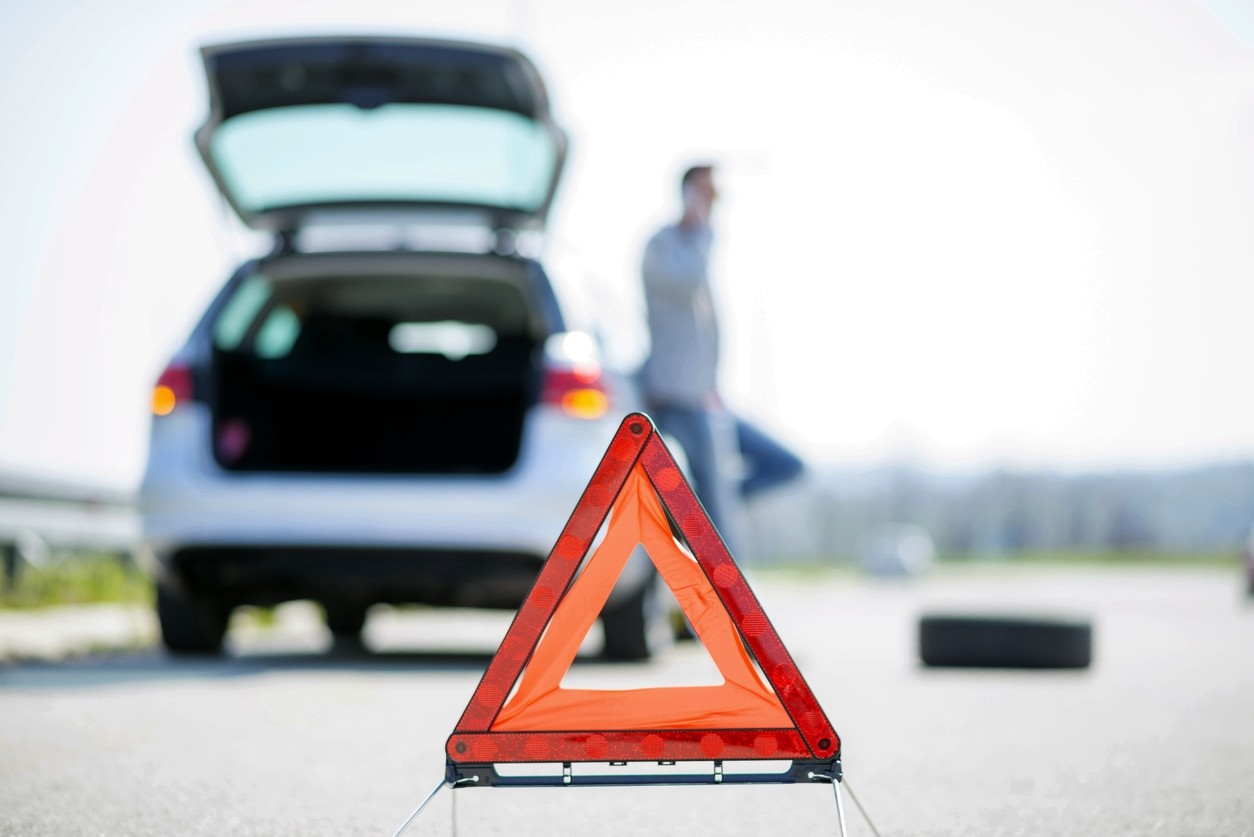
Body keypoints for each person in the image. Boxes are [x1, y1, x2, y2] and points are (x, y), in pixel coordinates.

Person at [639, 164, 804, 553]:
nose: (710, 205)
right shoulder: (664, 246)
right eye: (704, 194)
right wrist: (701, 226)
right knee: (714, 529)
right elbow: (687, 281)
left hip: (709, 402)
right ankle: (720, 605)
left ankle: (709, 506)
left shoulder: (695, 246)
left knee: (785, 465)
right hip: (677, 403)